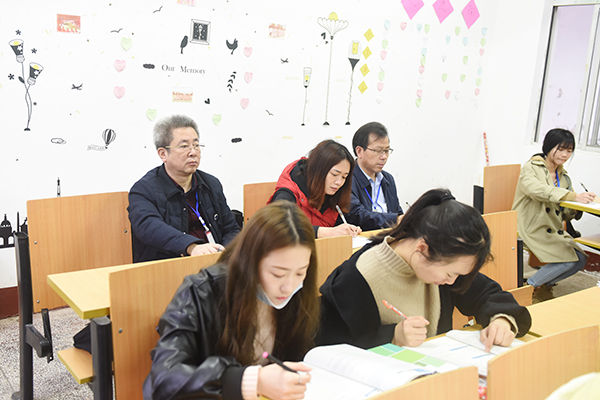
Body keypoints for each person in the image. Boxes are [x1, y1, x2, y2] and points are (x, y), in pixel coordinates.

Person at [143, 201, 320, 400]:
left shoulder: (297, 295)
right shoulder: (201, 291)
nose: (289, 287)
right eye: (278, 274)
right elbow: (162, 381)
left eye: (300, 273)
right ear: (250, 262)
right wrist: (252, 381)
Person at [319, 189, 532, 352]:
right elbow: (333, 351)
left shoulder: (442, 262)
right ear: (422, 249)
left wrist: (502, 319)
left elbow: (487, 295)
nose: (453, 281)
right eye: (450, 274)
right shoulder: (355, 280)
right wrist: (392, 337)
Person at [128, 114, 240, 262]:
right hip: (168, 268)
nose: (193, 152)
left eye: (196, 145)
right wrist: (192, 247)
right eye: (184, 146)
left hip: (214, 266)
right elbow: (149, 228)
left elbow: (231, 229)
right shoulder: (144, 190)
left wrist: (225, 255)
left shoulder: (211, 184)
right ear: (163, 154)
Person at [512, 128, 596, 301]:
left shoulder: (563, 176)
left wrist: (579, 205)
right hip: (529, 226)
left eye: (569, 150)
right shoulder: (531, 168)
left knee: (580, 259)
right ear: (549, 147)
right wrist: (573, 196)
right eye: (561, 149)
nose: (565, 155)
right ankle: (530, 287)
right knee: (568, 259)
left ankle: (544, 284)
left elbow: (564, 213)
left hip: (551, 226)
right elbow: (536, 190)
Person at [269, 139, 362, 238]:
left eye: (344, 177)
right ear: (318, 170)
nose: (339, 182)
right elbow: (278, 227)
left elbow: (335, 225)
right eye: (334, 174)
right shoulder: (288, 192)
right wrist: (326, 232)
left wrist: (346, 230)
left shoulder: (332, 193)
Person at [347, 122, 404, 231]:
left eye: (386, 151)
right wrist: (395, 219)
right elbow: (358, 216)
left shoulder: (388, 179)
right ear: (359, 151)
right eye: (378, 151)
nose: (384, 157)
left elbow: (397, 211)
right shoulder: (347, 178)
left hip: (388, 237)